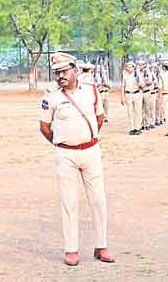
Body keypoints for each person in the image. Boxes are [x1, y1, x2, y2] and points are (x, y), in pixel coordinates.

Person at [39, 51, 115, 267]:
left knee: (98, 200)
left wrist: (85, 137)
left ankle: (101, 245)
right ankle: (71, 249)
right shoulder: (51, 96)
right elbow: (44, 127)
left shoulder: (91, 91)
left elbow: (99, 117)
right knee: (69, 202)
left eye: (64, 71)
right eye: (57, 73)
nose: (61, 76)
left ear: (75, 70)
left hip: (91, 151)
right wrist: (64, 141)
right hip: (66, 154)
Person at [122, 61, 143, 135]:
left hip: (136, 94)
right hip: (128, 94)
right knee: (130, 112)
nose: (128, 68)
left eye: (130, 66)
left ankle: (138, 128)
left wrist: (139, 83)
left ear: (133, 68)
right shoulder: (125, 75)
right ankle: (132, 128)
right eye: (127, 66)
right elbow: (123, 86)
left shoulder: (137, 75)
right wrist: (122, 97)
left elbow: (142, 85)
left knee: (137, 111)